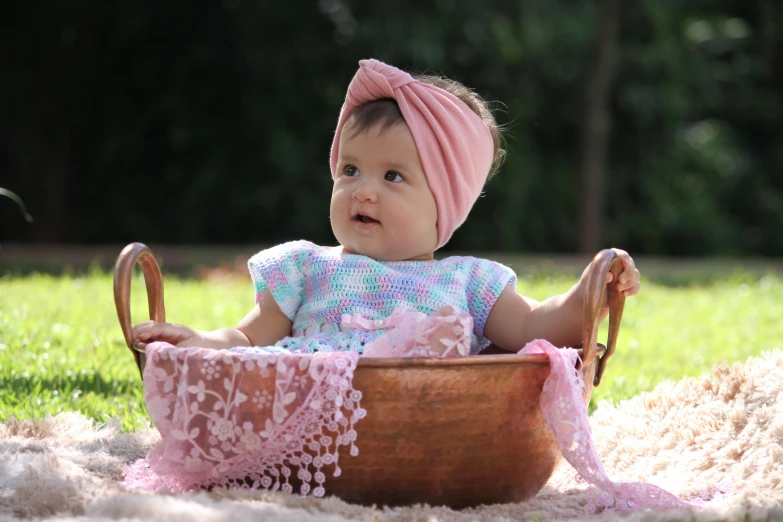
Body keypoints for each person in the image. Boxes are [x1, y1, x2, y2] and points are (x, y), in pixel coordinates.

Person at [132, 58, 641, 360]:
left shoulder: (469, 284)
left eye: (392, 176)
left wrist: (589, 292)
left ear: (445, 208)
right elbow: (246, 338)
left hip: (431, 432)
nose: (363, 191)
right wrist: (200, 341)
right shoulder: (306, 269)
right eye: (350, 170)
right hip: (315, 434)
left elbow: (535, 328)